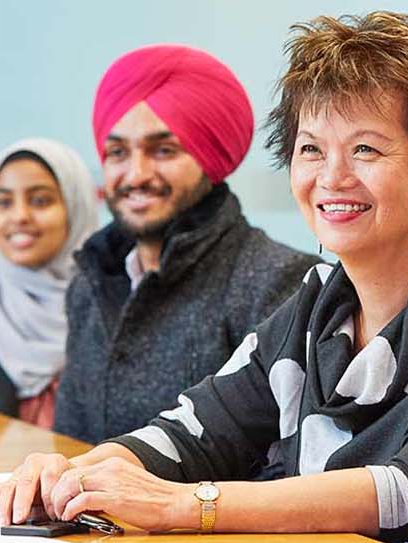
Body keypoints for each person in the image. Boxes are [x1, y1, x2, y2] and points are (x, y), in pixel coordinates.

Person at [0, 12, 408, 543]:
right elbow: (195, 431)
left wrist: (185, 505)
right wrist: (73, 474)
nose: (332, 177)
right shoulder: (316, 302)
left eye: (366, 149)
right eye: (311, 149)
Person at [53, 43, 319, 443]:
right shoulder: (90, 282)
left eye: (163, 151)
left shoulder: (277, 282)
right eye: (118, 152)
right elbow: (69, 444)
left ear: (210, 160)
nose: (136, 174)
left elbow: (294, 464)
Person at [0, 138, 98, 427]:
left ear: (76, 208)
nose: (19, 216)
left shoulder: (111, 305)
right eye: (3, 202)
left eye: (40, 200)